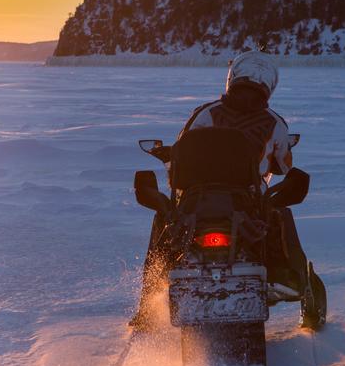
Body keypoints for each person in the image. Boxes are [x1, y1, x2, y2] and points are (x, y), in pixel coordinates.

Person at [129, 51, 318, 330]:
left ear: (232, 79)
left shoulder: (206, 113)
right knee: (280, 213)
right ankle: (286, 276)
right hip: (246, 202)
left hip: (197, 202)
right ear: (269, 85)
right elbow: (284, 165)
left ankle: (148, 300)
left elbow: (182, 151)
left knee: (163, 221)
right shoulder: (274, 123)